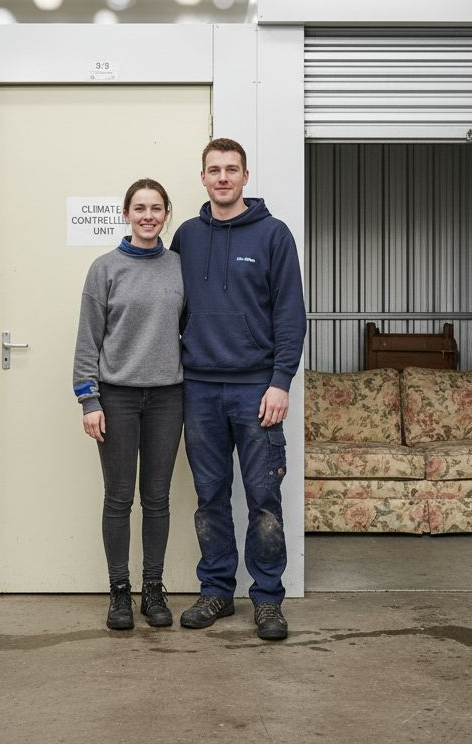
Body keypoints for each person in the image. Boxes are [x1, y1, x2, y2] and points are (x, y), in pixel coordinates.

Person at [169, 138, 306, 641]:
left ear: (245, 176)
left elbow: (291, 316)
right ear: (202, 178)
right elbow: (173, 311)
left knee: (264, 497)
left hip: (256, 391)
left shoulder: (273, 235)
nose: (222, 178)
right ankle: (217, 592)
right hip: (199, 388)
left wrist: (280, 382)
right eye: (213, 170)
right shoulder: (185, 236)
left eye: (231, 170)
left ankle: (268, 600)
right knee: (209, 497)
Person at [72, 178, 185, 631]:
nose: (148, 216)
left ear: (166, 214)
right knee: (119, 498)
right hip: (116, 398)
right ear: (126, 214)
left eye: (156, 208)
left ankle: (152, 590)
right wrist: (88, 399)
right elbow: (87, 340)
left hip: (168, 398)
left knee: (157, 499)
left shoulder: (179, 266)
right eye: (139, 208)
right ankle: (119, 591)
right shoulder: (104, 268)